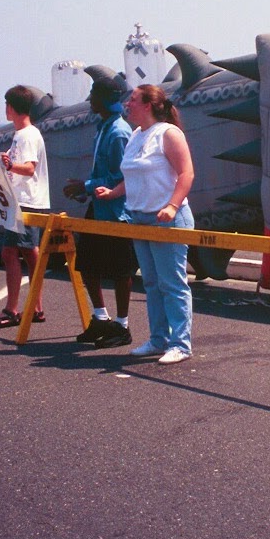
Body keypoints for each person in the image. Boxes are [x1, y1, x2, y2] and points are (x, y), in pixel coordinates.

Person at [93, 84, 196, 364]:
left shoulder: (168, 134)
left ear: (149, 105)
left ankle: (181, 343)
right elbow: (136, 176)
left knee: (172, 283)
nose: (127, 104)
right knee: (151, 283)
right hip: (140, 217)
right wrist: (114, 193)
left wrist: (172, 205)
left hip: (167, 219)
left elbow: (186, 173)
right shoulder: (137, 135)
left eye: (133, 100)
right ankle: (158, 339)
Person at [63, 78, 139, 349]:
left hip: (117, 211)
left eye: (94, 94)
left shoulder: (118, 132)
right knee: (88, 265)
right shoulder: (103, 128)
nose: (90, 99)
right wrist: (86, 189)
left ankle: (122, 325)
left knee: (121, 271)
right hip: (98, 206)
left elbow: (121, 176)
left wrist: (85, 185)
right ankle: (100, 317)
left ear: (107, 99)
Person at [0, 86, 50, 329]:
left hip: (26, 202)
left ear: (11, 107)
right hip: (30, 200)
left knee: (10, 253)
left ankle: (12, 308)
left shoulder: (25, 135)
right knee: (30, 254)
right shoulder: (25, 135)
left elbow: (29, 168)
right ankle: (36, 307)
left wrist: (10, 166)